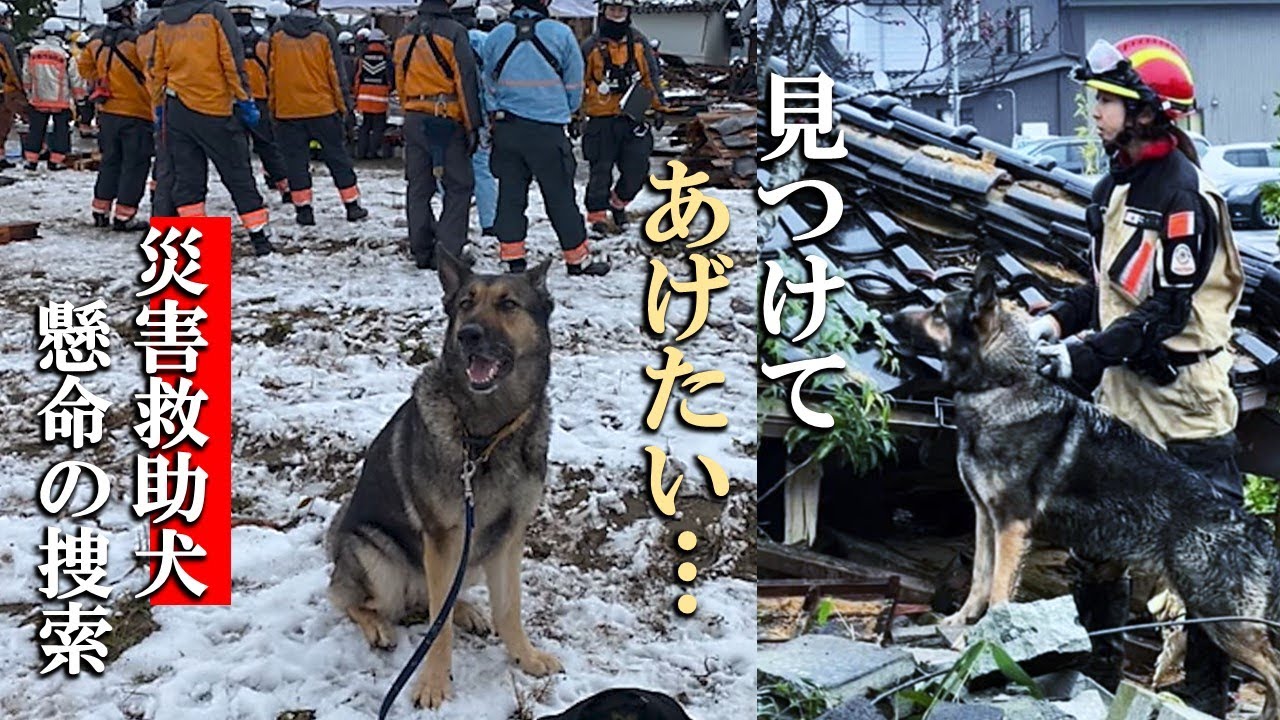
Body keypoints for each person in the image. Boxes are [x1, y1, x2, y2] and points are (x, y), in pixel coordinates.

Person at [1034, 34, 1245, 717]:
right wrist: (1056, 322)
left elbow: (1167, 310)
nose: (1095, 113)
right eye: (1097, 100)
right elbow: (1107, 289)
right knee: (1095, 537)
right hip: (1122, 393)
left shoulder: (1185, 196)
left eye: (1108, 101)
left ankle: (1204, 694)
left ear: (1149, 112)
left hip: (1183, 397)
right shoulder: (1113, 190)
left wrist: (1085, 356)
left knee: (1206, 549)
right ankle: (1095, 676)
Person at [481, 0, 610, 276]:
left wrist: (496, 110)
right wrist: (565, 110)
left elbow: (487, 82)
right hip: (548, 130)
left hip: (507, 129)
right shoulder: (560, 34)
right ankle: (576, 259)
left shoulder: (497, 36)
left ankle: (513, 259)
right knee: (560, 196)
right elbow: (574, 84)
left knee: (510, 196)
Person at [149, 0, 275, 254]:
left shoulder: (164, 19)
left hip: (177, 109)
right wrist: (244, 99)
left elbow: (157, 68)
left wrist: (159, 105)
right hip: (215, 108)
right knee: (237, 174)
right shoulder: (216, 14)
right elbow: (231, 61)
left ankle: (195, 245)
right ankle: (259, 237)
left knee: (188, 180)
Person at [392, 0, 480, 269]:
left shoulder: (404, 34)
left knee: (418, 186)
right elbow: (465, 80)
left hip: (414, 115)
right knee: (459, 186)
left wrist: (410, 110)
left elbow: (400, 79)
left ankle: (421, 248)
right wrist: (472, 124)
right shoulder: (454, 32)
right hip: (445, 117)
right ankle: (448, 252)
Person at [267, 0, 367, 225]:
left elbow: (272, 73)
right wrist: (344, 106)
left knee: (295, 162)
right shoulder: (324, 31)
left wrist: (274, 105)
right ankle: (352, 206)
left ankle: (303, 210)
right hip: (322, 107)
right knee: (337, 157)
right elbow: (335, 72)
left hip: (288, 109)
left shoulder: (278, 33)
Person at [579, 0, 664, 237]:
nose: (617, 14)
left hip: (633, 116)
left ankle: (618, 204)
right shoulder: (590, 46)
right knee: (600, 171)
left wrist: (659, 107)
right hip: (601, 117)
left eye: (621, 10)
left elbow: (650, 76)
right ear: (603, 11)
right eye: (612, 9)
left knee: (637, 169)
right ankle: (597, 218)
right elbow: (578, 82)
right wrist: (575, 115)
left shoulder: (639, 42)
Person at [80, 0, 153, 230]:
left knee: (110, 161)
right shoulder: (136, 40)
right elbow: (151, 69)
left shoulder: (95, 40)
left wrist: (104, 79)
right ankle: (124, 216)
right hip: (137, 112)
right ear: (125, 10)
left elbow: (84, 69)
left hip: (108, 113)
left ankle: (100, 211)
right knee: (135, 165)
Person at [228, 0, 290, 204]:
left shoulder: (222, 43)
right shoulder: (263, 42)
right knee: (268, 147)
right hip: (259, 100)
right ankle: (285, 187)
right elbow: (274, 71)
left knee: (238, 153)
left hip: (230, 102)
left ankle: (247, 193)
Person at [22, 18, 82, 171]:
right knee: (61, 132)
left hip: (38, 99)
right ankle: (55, 161)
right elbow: (75, 79)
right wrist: (79, 99)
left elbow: (26, 76)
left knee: (36, 130)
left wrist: (28, 93)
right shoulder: (66, 55)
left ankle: (31, 161)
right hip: (60, 101)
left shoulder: (33, 53)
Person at [135, 0, 171, 216]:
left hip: (153, 103)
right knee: (180, 168)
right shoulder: (168, 30)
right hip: (177, 104)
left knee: (164, 161)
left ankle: (159, 207)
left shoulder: (141, 37)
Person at [467, 4, 498, 236]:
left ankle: (452, 218)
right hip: (483, 113)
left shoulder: (460, 39)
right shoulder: (493, 43)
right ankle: (489, 222)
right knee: (482, 168)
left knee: (452, 167)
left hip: (457, 110)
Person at [352, 27, 391, 160]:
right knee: (378, 126)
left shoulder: (363, 56)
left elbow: (357, 76)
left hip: (364, 97)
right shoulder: (386, 57)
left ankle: (361, 152)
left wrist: (356, 94)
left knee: (365, 126)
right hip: (380, 98)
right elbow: (390, 77)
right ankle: (372, 152)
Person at [0, 1, 27, 169]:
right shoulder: (4, 40)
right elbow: (12, 67)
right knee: (2, 123)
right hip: (2, 88)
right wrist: (21, 87)